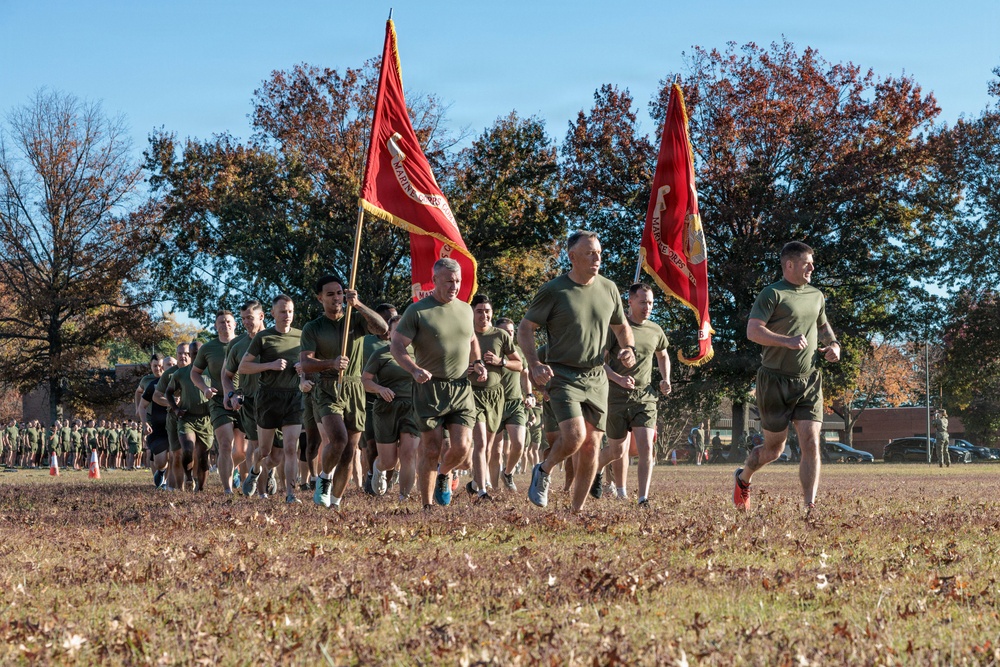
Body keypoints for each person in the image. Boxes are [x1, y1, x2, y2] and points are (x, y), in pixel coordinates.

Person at [517, 230, 635, 513]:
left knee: (592, 445)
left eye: (599, 253)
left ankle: (576, 511)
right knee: (573, 436)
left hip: (596, 375)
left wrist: (628, 347)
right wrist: (534, 364)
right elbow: (525, 328)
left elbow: (621, 326)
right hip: (562, 374)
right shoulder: (554, 290)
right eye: (590, 253)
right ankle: (544, 470)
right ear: (572, 257)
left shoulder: (608, 288)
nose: (597, 258)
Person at [735, 241, 841, 512]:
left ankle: (809, 507)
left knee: (811, 441)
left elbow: (823, 325)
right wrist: (787, 341)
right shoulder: (772, 293)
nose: (812, 268)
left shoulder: (816, 295)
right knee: (774, 450)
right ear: (790, 264)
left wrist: (834, 345)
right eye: (807, 263)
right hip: (774, 381)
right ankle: (744, 477)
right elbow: (753, 331)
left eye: (812, 263)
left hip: (809, 380)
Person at [390, 258, 487, 508]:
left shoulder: (466, 309)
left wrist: (478, 363)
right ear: (434, 281)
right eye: (448, 281)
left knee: (463, 447)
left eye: (458, 281)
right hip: (429, 388)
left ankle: (444, 474)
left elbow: (472, 339)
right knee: (431, 449)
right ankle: (427, 506)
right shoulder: (418, 311)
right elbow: (397, 345)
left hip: (461, 387)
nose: (454, 286)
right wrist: (414, 369)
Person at [301, 275, 388, 509]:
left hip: (355, 387)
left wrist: (358, 304)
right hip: (328, 387)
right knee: (338, 439)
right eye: (330, 294)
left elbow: (383, 328)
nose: (336, 298)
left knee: (349, 452)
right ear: (320, 298)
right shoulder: (313, 327)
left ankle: (335, 503)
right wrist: (330, 363)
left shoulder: (355, 320)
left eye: (339, 293)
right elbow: (306, 363)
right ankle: (324, 478)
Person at [595, 283, 671, 503]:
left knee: (647, 447)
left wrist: (665, 378)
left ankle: (642, 498)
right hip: (616, 396)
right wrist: (617, 378)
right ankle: (597, 470)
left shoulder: (656, 330)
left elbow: (663, 355)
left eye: (651, 303)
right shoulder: (617, 328)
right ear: (630, 301)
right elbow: (598, 361)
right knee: (617, 451)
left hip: (645, 397)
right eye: (643, 302)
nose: (648, 307)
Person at [239, 294, 304, 504]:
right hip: (268, 397)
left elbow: (310, 363)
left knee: (290, 448)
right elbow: (243, 367)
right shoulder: (263, 337)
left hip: (293, 397)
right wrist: (270, 365)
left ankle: (291, 495)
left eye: (290, 311)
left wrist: (304, 369)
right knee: (265, 450)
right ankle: (255, 470)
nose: (287, 315)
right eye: (283, 312)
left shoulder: (301, 336)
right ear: (273, 313)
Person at [467, 294, 522, 501]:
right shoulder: (465, 333)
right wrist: (465, 369)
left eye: (487, 311)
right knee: (481, 443)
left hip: (496, 396)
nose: (484, 315)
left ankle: (475, 483)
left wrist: (501, 362)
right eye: (479, 311)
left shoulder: (501, 335)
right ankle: (482, 491)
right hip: (472, 393)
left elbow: (519, 364)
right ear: (472, 313)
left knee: (489, 446)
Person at [362, 314, 419, 500]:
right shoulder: (381, 353)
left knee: (409, 454)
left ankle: (404, 497)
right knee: (389, 461)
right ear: (389, 334)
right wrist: (379, 389)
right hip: (386, 408)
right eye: (397, 331)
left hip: (412, 407)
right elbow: (365, 381)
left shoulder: (418, 354)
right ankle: (378, 468)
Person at [191, 309, 246, 495]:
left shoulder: (245, 342)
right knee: (225, 444)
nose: (225, 325)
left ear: (235, 324)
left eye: (229, 321)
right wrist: (204, 388)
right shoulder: (208, 348)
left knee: (242, 451)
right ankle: (227, 489)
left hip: (244, 400)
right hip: (219, 402)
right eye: (221, 322)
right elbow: (194, 373)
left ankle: (231, 466)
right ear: (216, 326)